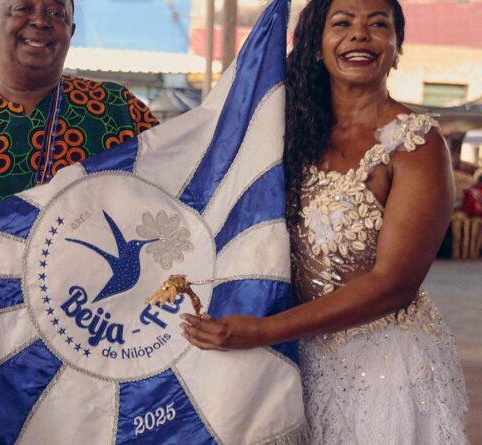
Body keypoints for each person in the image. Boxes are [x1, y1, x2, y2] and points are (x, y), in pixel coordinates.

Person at [179, 0, 469, 443]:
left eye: (378, 25)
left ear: (396, 46)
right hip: (290, 361)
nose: (360, 34)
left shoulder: (414, 144)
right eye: (342, 23)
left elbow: (394, 284)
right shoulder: (286, 129)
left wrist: (262, 330)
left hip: (380, 368)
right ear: (316, 45)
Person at [0, 0, 159, 259]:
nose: (40, 20)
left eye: (56, 13)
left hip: (94, 295)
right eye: (23, 8)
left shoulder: (117, 110)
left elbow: (172, 199)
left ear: (70, 31)